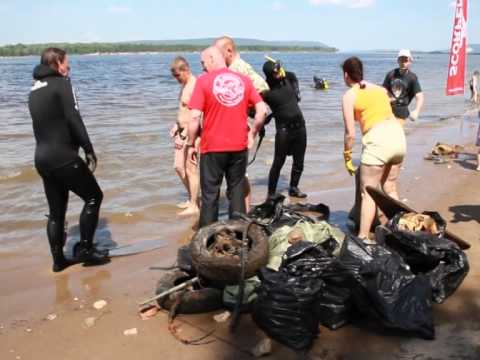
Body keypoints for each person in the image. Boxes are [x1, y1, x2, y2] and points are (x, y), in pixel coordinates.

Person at [28, 47, 109, 272]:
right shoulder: (62, 84)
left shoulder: (34, 89)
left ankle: (58, 260)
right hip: (63, 156)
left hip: (42, 159)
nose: (69, 67)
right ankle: (86, 249)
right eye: (66, 63)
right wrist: (89, 149)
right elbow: (73, 118)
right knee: (93, 197)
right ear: (56, 64)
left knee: (56, 212)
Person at [186, 46, 267, 227]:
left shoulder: (203, 81)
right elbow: (262, 110)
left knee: (210, 195)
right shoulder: (244, 80)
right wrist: (252, 134)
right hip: (238, 147)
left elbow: (194, 118)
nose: (203, 67)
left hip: (212, 147)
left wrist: (191, 144)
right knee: (237, 191)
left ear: (213, 59)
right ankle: (238, 235)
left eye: (203, 63)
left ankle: (207, 239)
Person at [341, 57, 406, 242]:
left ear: (346, 74)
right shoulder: (380, 89)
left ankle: (363, 238)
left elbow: (350, 134)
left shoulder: (349, 95)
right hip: (398, 137)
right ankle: (402, 230)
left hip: (379, 141)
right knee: (390, 188)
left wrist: (347, 156)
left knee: (368, 193)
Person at [214, 36, 269, 210]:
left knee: (239, 176)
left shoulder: (239, 67)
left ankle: (244, 211)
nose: (216, 56)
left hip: (240, 130)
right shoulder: (233, 67)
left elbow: (263, 87)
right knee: (238, 175)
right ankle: (243, 209)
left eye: (219, 53)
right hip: (235, 129)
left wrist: (247, 107)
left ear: (229, 51)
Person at [262, 58, 308, 198]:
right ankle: (271, 194)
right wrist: (264, 118)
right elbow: (253, 108)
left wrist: (297, 91)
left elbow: (292, 75)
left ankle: (293, 188)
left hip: (300, 127)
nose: (280, 73)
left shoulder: (286, 79)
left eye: (280, 70)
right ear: (270, 75)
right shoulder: (265, 90)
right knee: (278, 162)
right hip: (284, 131)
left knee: (299, 161)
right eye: (276, 72)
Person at [169, 56, 199, 216]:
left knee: (190, 169)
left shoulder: (195, 85)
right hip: (181, 132)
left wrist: (188, 134)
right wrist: (176, 125)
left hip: (191, 134)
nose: (176, 79)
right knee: (178, 167)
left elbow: (197, 114)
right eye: (174, 76)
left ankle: (194, 204)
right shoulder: (184, 85)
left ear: (185, 70)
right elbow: (183, 110)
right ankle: (191, 198)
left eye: (177, 76)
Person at [383, 49, 424, 125]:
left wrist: (417, 111)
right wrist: (390, 96)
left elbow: (419, 96)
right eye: (401, 59)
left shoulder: (412, 77)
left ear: (410, 61)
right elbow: (383, 89)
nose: (403, 62)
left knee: (396, 132)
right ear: (398, 60)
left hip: (401, 111)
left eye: (406, 60)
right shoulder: (390, 74)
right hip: (387, 110)